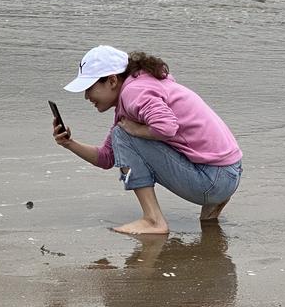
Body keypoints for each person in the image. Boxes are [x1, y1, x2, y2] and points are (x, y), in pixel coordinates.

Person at [53, 45, 242, 235]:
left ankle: (153, 220)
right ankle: (211, 212)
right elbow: (107, 158)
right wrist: (70, 143)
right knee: (124, 133)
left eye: (89, 88)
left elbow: (166, 128)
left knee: (122, 133)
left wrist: (134, 129)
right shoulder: (143, 87)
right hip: (227, 173)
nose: (86, 96)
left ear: (111, 80)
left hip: (213, 179)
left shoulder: (133, 92)